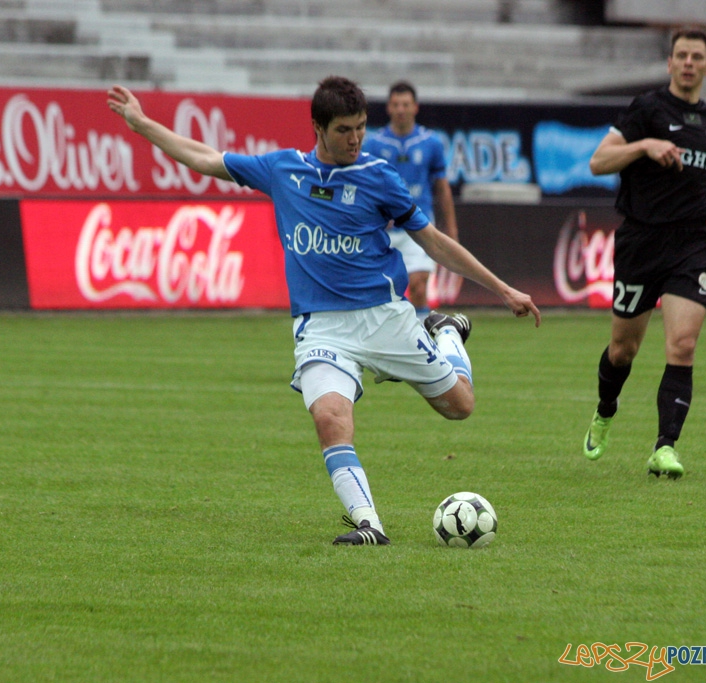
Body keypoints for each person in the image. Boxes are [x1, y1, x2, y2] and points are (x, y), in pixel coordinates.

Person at [107, 76, 540, 545]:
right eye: (343, 130)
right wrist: (142, 123)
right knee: (330, 418)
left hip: (384, 317)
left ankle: (448, 332)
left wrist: (501, 289)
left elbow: (432, 241)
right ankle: (369, 524)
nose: (355, 139)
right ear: (317, 128)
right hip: (321, 328)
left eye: (360, 128)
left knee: (460, 407)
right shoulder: (283, 170)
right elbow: (204, 157)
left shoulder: (379, 177)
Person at [583, 29, 706, 479]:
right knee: (623, 349)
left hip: (692, 243)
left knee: (683, 344)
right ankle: (605, 409)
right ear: (669, 62)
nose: (689, 63)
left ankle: (664, 447)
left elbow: (703, 158)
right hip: (641, 242)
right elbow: (598, 161)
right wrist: (644, 146)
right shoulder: (646, 109)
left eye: (697, 57)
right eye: (681, 55)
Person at [363, 81, 459, 318]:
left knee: (418, 286)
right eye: (396, 104)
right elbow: (365, 187)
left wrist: (451, 230)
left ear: (415, 107)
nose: (401, 109)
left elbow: (442, 188)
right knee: (378, 293)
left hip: (418, 225)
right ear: (388, 108)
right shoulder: (374, 144)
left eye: (405, 104)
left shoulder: (431, 143)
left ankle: (422, 347)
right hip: (383, 229)